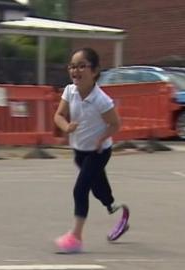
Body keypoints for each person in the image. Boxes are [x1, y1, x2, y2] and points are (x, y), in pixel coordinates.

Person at [53, 47, 127, 253]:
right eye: (72, 66)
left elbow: (115, 124)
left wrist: (101, 138)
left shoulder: (101, 100)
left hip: (98, 151)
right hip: (80, 151)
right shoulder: (70, 91)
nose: (76, 71)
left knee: (80, 188)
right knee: (97, 188)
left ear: (94, 71)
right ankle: (112, 204)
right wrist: (66, 127)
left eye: (81, 66)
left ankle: (75, 238)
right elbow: (58, 115)